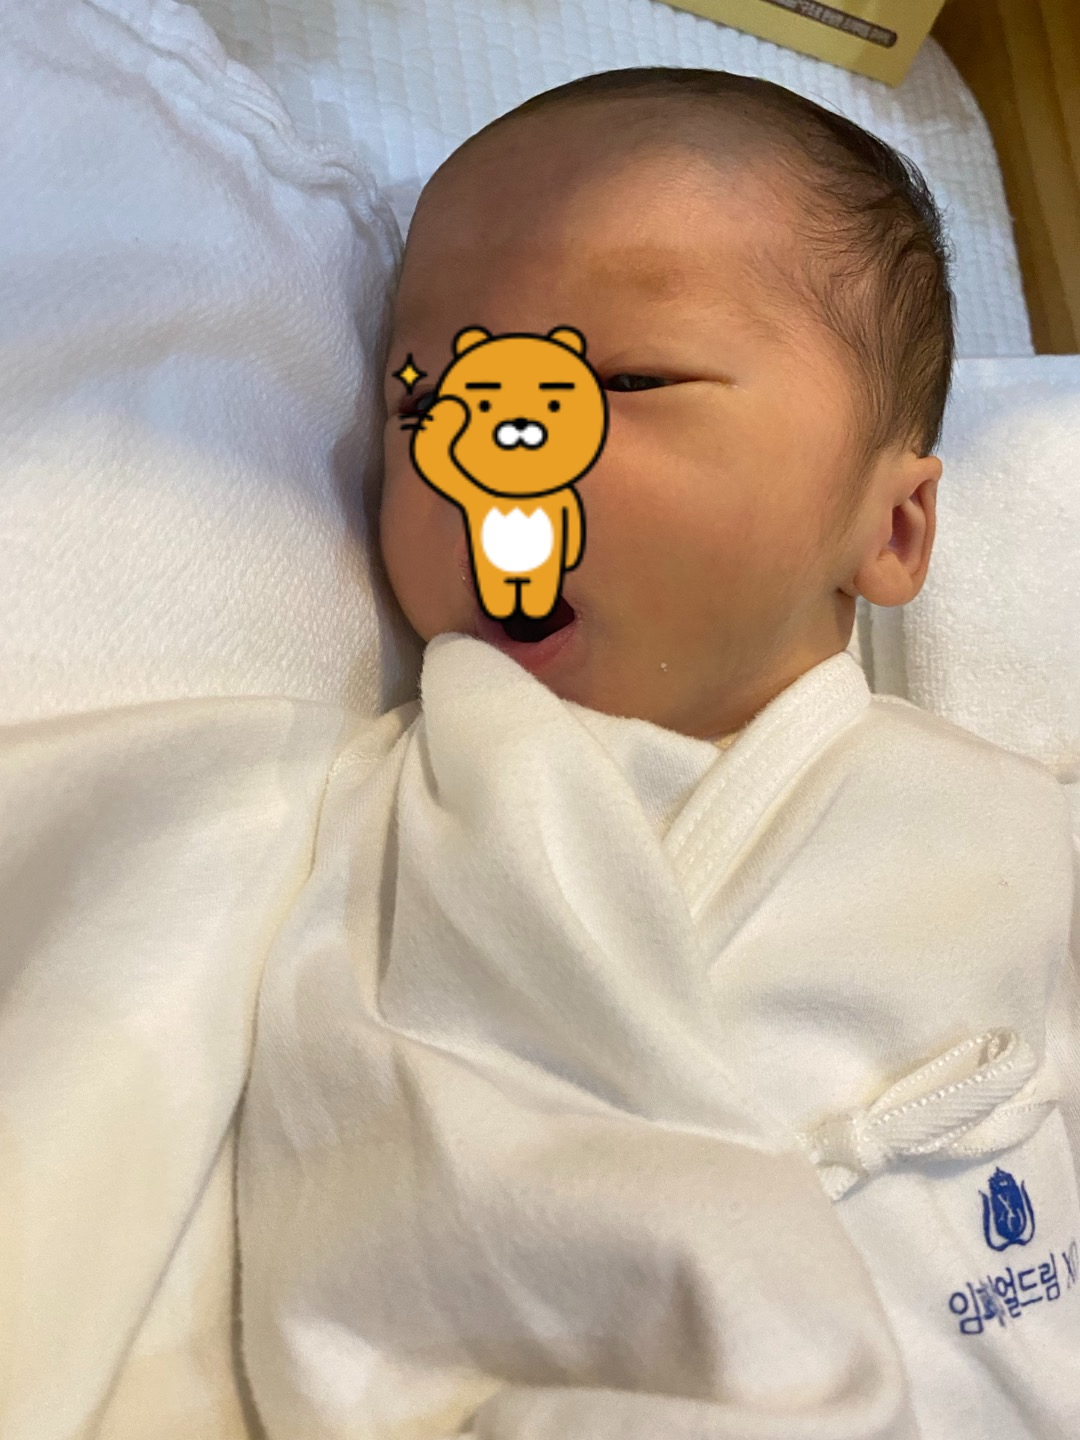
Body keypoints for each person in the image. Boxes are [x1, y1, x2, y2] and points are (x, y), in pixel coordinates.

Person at [236, 69, 1080, 1439]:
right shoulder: (384, 822)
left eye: (626, 379)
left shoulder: (1003, 825)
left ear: (892, 530)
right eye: (425, 406)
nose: (488, 456)